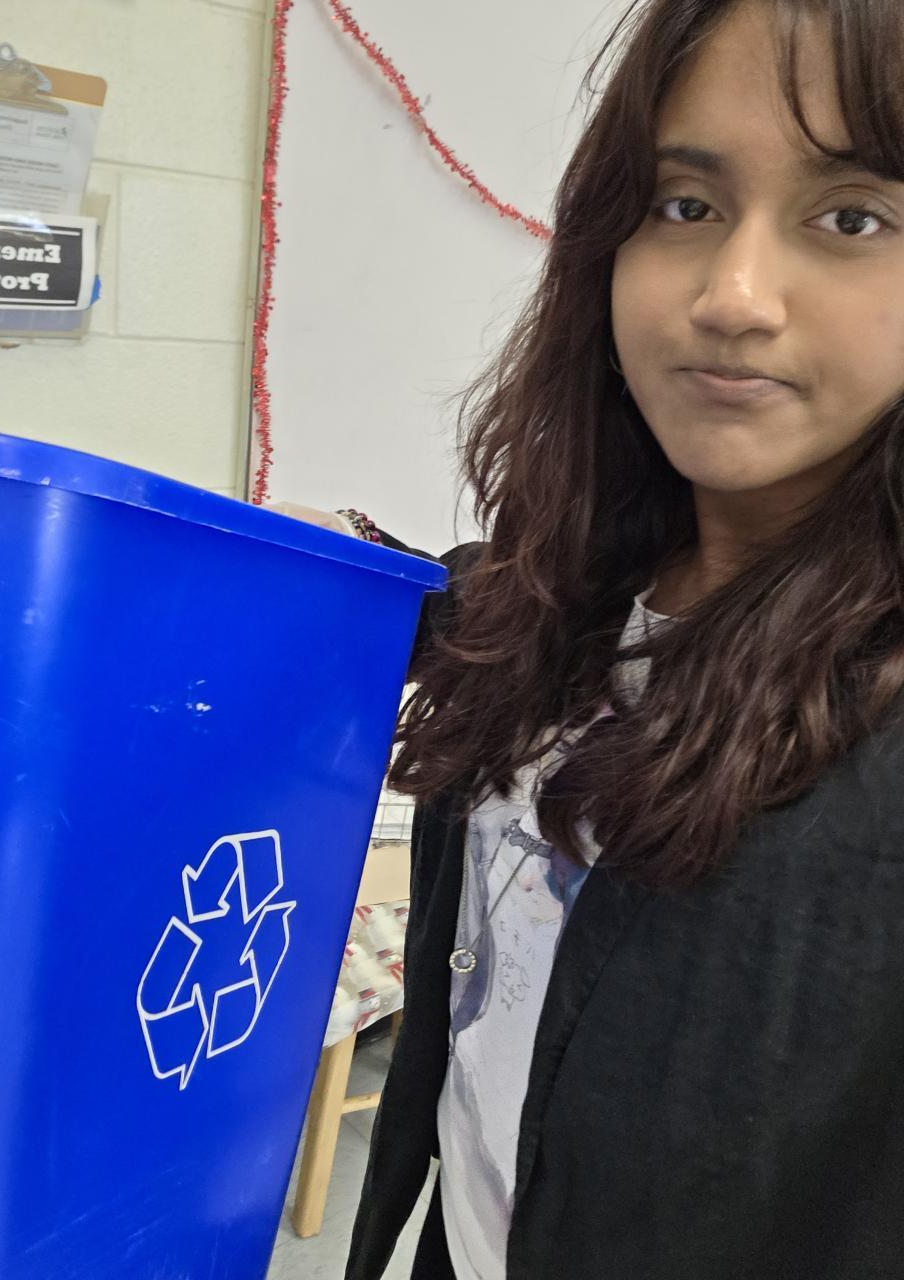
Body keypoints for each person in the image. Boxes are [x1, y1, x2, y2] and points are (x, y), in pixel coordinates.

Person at [267, 0, 904, 1274]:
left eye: (852, 219)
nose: (733, 296)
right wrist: (353, 565)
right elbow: (512, 610)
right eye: (685, 203)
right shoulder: (585, 582)